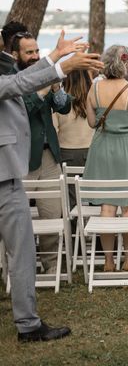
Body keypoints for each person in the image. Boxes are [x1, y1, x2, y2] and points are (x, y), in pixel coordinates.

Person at [0, 29, 102, 341]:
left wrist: (56, 56)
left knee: (23, 252)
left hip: (8, 176)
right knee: (21, 252)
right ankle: (28, 325)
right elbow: (18, 84)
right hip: (6, 176)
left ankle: (28, 324)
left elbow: (21, 78)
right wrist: (62, 67)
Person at [83, 45, 128, 272]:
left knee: (107, 207)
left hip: (103, 150)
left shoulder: (94, 90)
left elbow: (92, 123)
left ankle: (109, 261)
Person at [9, 31, 72, 274]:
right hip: (22, 159)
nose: (36, 56)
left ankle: (52, 267)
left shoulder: (45, 73)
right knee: (18, 220)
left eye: (37, 51)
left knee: (51, 214)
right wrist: (42, 91)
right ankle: (20, 268)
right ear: (16, 55)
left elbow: (64, 108)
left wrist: (56, 88)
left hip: (49, 157)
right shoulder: (12, 80)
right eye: (30, 52)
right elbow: (23, 110)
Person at [56, 69, 95, 207]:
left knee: (71, 199)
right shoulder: (94, 99)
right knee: (94, 195)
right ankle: (93, 226)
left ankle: (74, 228)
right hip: (92, 150)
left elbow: (55, 129)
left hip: (66, 152)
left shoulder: (59, 102)